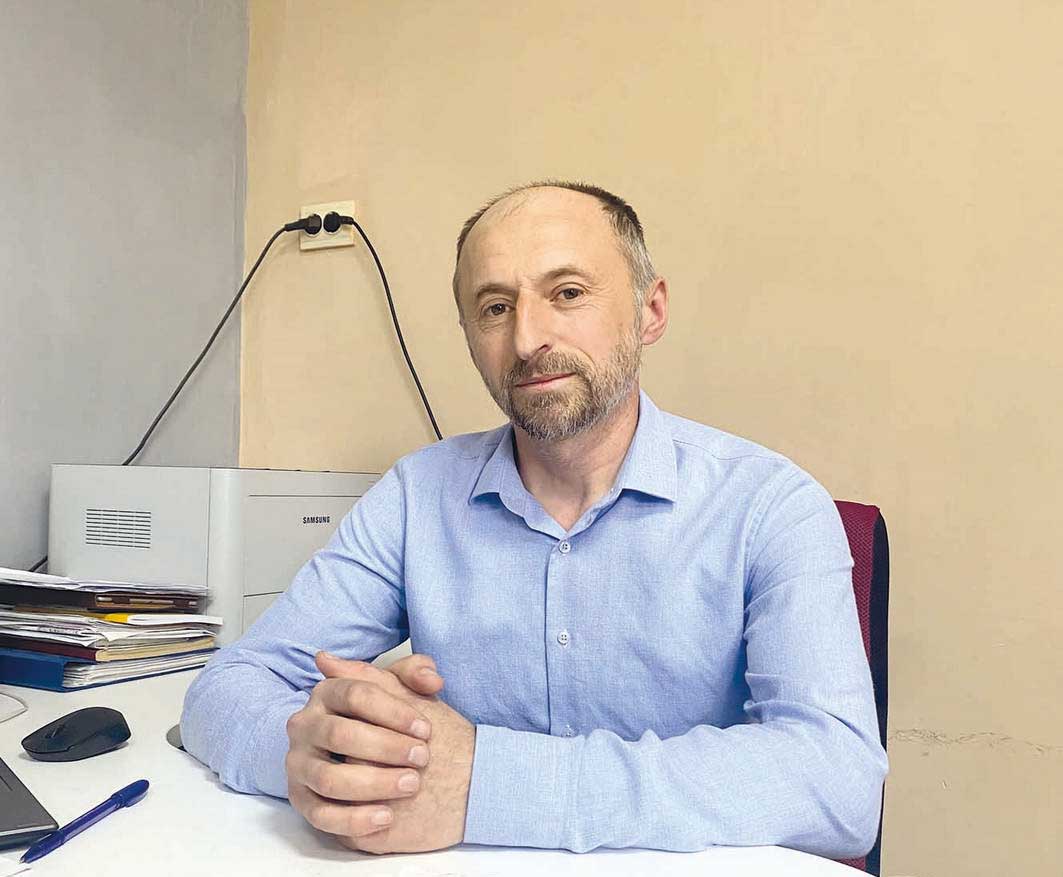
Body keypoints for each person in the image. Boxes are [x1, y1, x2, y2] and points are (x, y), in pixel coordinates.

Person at [180, 180, 888, 858]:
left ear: (650, 311)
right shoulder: (416, 495)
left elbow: (838, 783)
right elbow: (228, 687)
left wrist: (485, 784)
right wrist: (325, 756)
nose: (526, 339)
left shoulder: (771, 505)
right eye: (494, 308)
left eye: (567, 293)